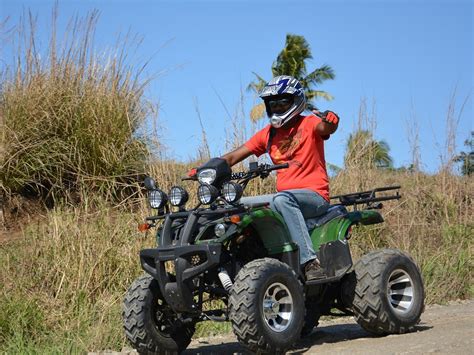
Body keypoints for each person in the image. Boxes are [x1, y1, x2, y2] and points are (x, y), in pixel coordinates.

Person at [220, 75, 340, 280]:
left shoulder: (310, 124)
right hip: (284, 199)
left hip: (314, 196)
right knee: (235, 205)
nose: (276, 108)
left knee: (282, 199)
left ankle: (310, 262)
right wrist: (206, 169)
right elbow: (232, 157)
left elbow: (326, 127)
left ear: (295, 101)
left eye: (282, 102)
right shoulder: (267, 134)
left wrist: (331, 120)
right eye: (272, 104)